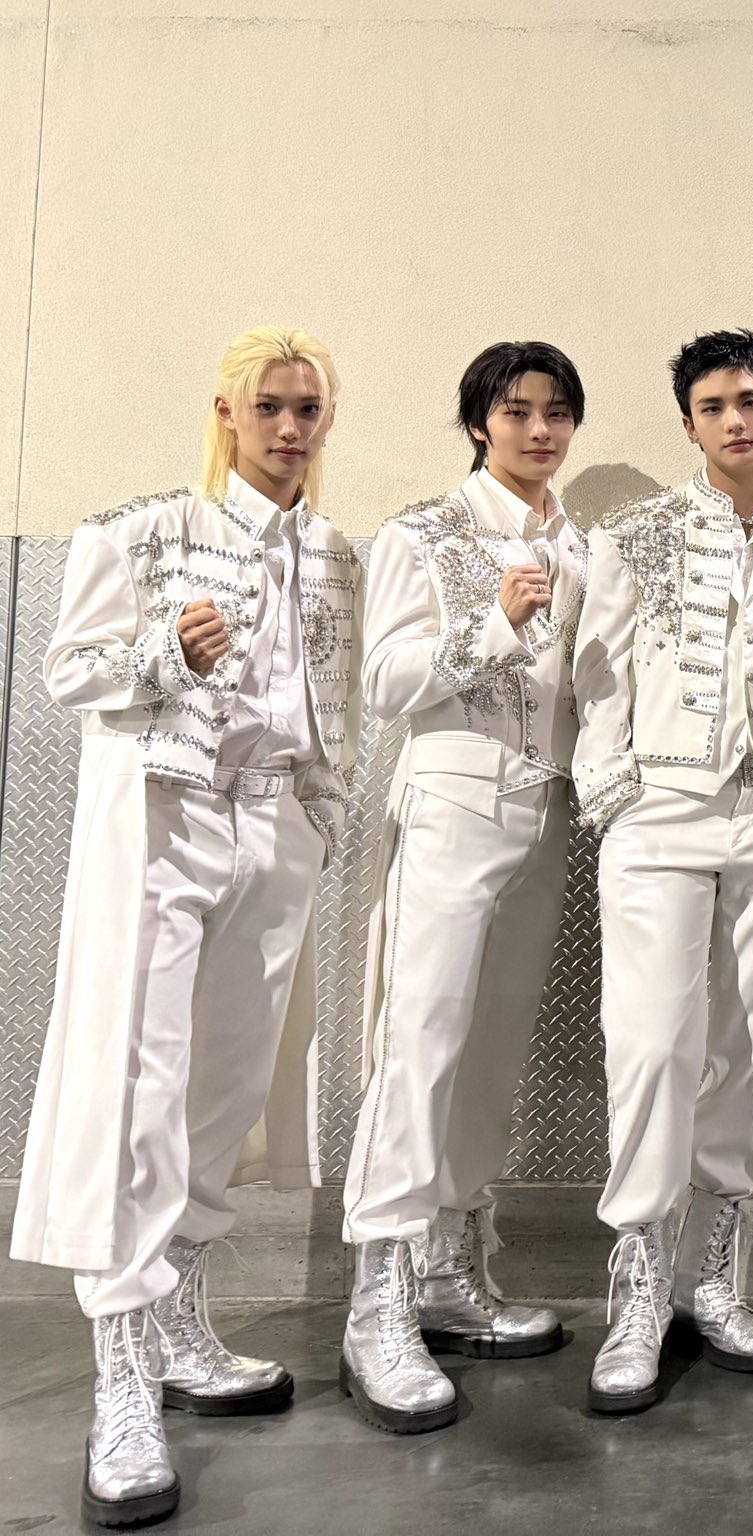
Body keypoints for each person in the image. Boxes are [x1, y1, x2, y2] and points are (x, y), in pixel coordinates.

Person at [11, 326, 359, 1525]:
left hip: (275, 827)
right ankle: (119, 1378)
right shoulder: (141, 531)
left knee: (225, 1088)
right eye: (269, 406)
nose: (289, 427)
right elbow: (69, 672)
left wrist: (319, 814)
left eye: (307, 407)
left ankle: (177, 1327)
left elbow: (330, 701)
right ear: (225, 412)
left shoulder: (332, 555)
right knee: (140, 1086)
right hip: (167, 824)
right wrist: (163, 650)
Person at [574, 330, 753, 1412]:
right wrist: (614, 800)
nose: (736, 419)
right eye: (715, 405)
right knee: (651, 1046)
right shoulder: (632, 535)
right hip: (662, 810)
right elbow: (596, 679)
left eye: (751, 400)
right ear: (689, 424)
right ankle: (638, 1292)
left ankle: (715, 1278)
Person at [339, 342, 588, 1431]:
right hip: (450, 801)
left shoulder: (579, 543)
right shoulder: (424, 533)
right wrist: (494, 625)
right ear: (480, 420)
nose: (539, 431)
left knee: (489, 1052)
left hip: (546, 811)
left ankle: (447, 1273)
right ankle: (375, 1306)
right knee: (420, 1043)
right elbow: (384, 683)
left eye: (557, 413)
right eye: (517, 411)